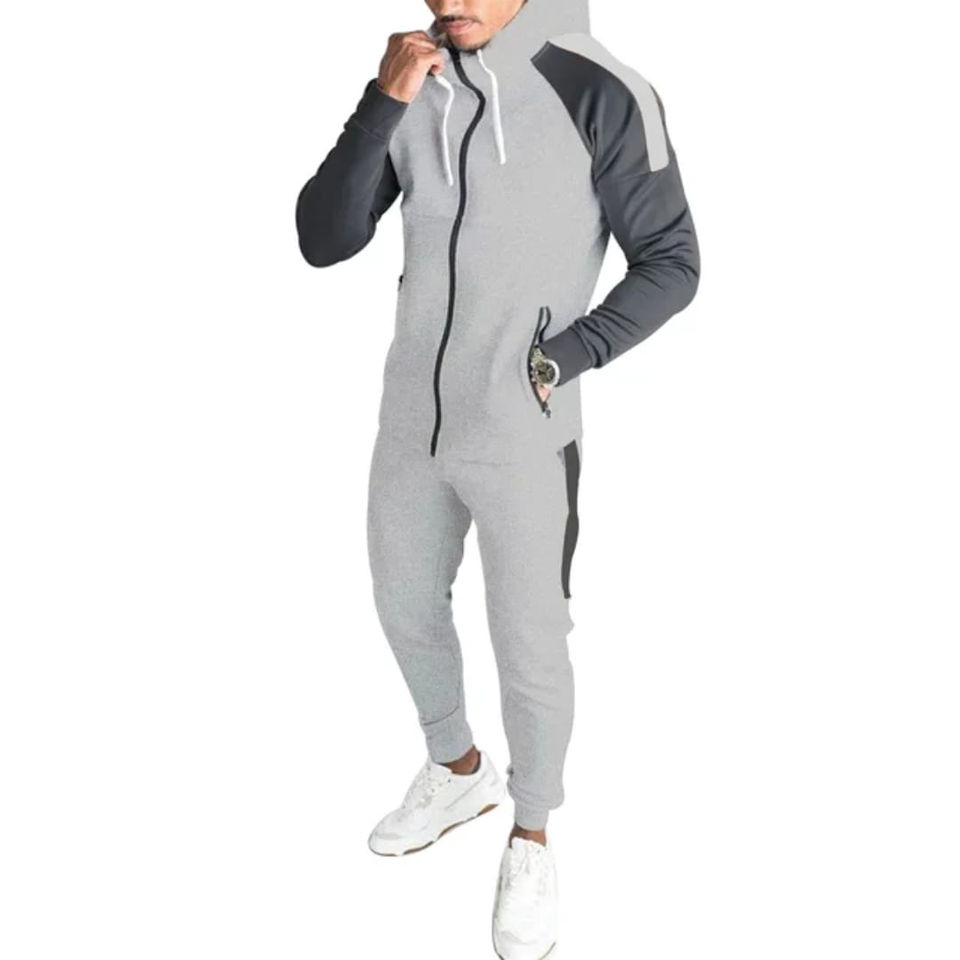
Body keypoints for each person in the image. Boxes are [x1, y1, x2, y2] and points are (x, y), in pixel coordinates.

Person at [295, 0, 699, 955]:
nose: (449, 0)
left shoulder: (599, 85)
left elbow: (673, 262)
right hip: (411, 422)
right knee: (404, 605)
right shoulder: (415, 83)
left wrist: (567, 355)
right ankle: (457, 768)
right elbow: (324, 238)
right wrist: (382, 102)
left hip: (524, 427)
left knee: (530, 644)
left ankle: (532, 833)